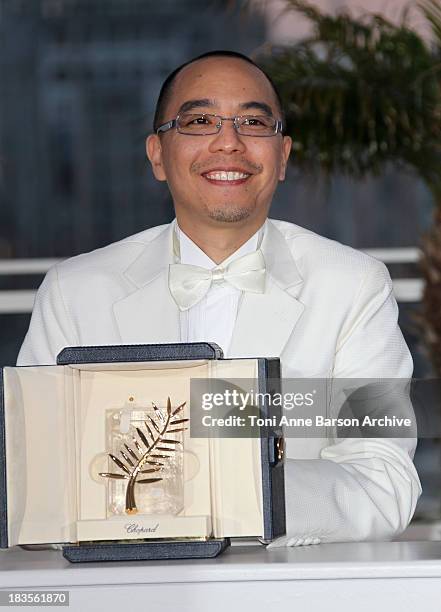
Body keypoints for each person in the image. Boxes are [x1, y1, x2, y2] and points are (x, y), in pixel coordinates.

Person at [17, 50, 421, 546]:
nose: (228, 142)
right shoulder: (73, 291)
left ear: (283, 157)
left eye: (253, 122)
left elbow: (383, 481)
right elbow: (32, 480)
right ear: (157, 155)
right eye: (199, 120)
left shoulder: (355, 285)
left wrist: (225, 493)